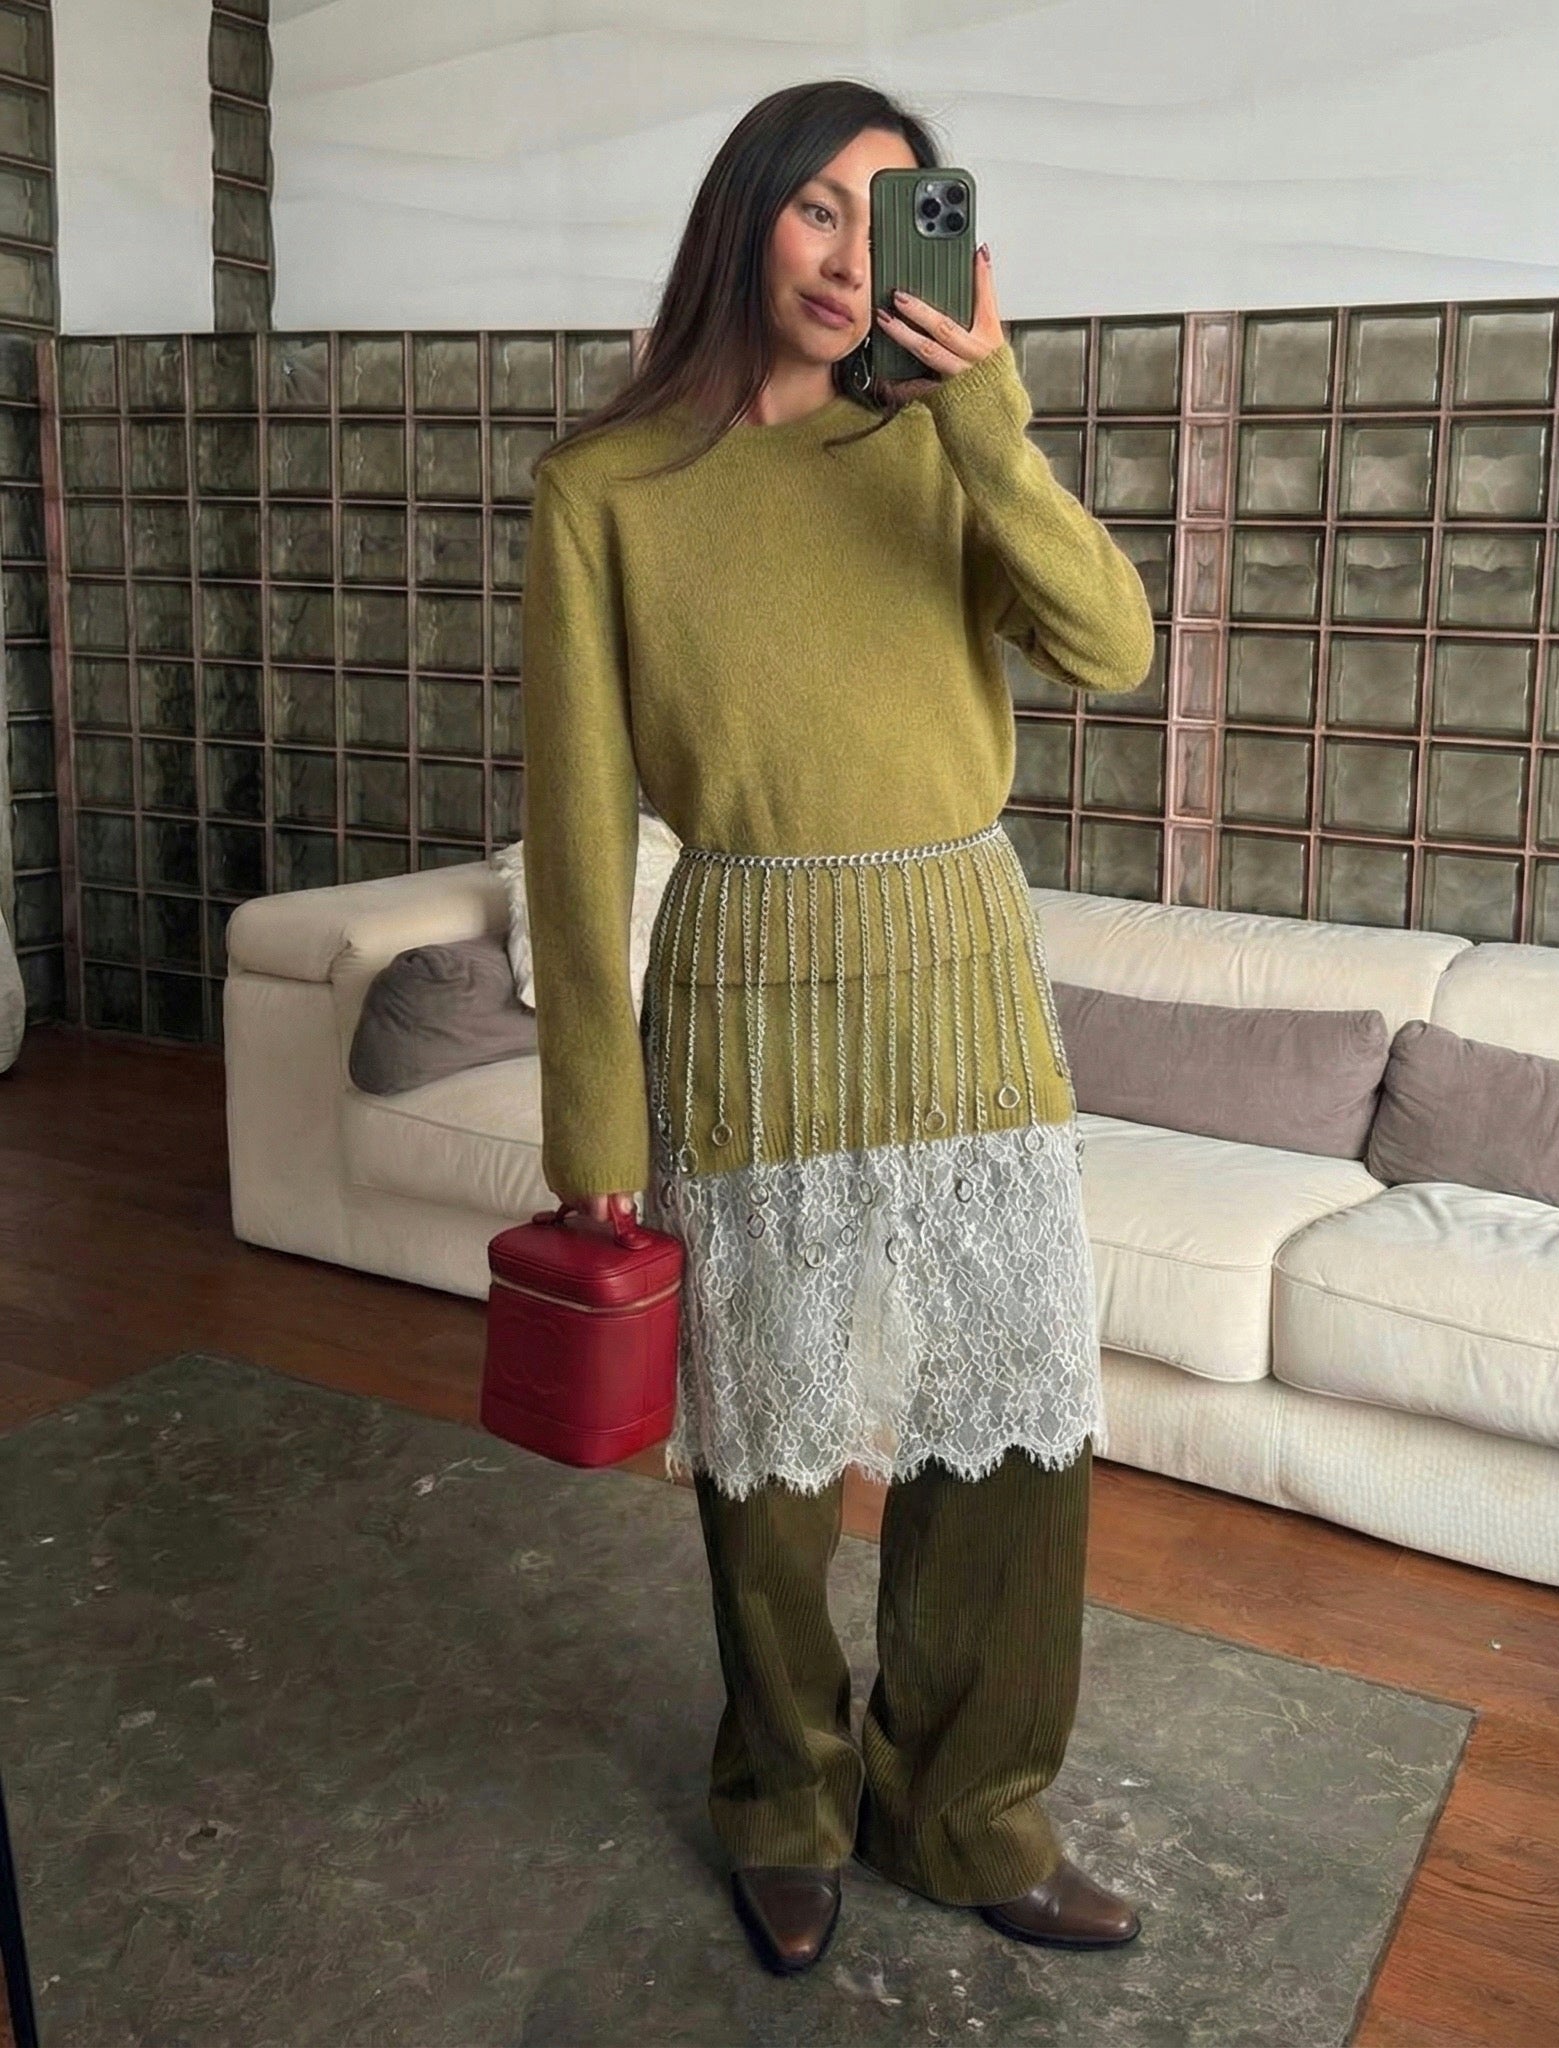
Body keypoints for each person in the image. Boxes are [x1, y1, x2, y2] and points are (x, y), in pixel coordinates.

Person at [518, 78, 1158, 1978]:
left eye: (895, 221)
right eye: (817, 208)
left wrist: (988, 418)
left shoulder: (945, 442)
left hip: (962, 974)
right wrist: (592, 1118)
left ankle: (969, 1809)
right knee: (771, 1465)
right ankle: (787, 1800)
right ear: (745, 218)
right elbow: (575, 825)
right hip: (746, 987)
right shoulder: (605, 489)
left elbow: (1112, 646)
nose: (852, 257)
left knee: (1012, 1436)